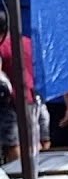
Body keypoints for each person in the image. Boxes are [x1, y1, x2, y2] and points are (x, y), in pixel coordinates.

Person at [0, 8, 47, 161]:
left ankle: (19, 176)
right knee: (36, 140)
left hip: (13, 102)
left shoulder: (1, 46)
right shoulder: (28, 42)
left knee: (13, 144)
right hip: (35, 98)